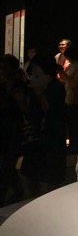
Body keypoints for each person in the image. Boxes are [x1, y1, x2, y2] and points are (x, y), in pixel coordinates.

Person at [24, 54, 67, 193]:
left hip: (52, 135)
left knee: (50, 175)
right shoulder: (35, 85)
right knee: (32, 173)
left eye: (38, 69)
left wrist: (39, 93)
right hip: (37, 135)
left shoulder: (56, 86)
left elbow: (52, 111)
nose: (34, 72)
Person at [0, 54, 28, 204]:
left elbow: (24, 108)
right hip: (4, 130)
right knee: (5, 165)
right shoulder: (4, 85)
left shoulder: (19, 86)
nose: (2, 70)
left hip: (14, 130)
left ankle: (17, 192)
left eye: (5, 67)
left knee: (7, 164)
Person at [57, 45, 78, 153]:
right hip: (68, 95)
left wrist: (62, 73)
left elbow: (75, 83)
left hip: (74, 97)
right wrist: (60, 73)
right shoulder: (72, 65)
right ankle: (73, 144)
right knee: (71, 122)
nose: (66, 58)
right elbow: (66, 81)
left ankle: (76, 145)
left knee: (73, 122)